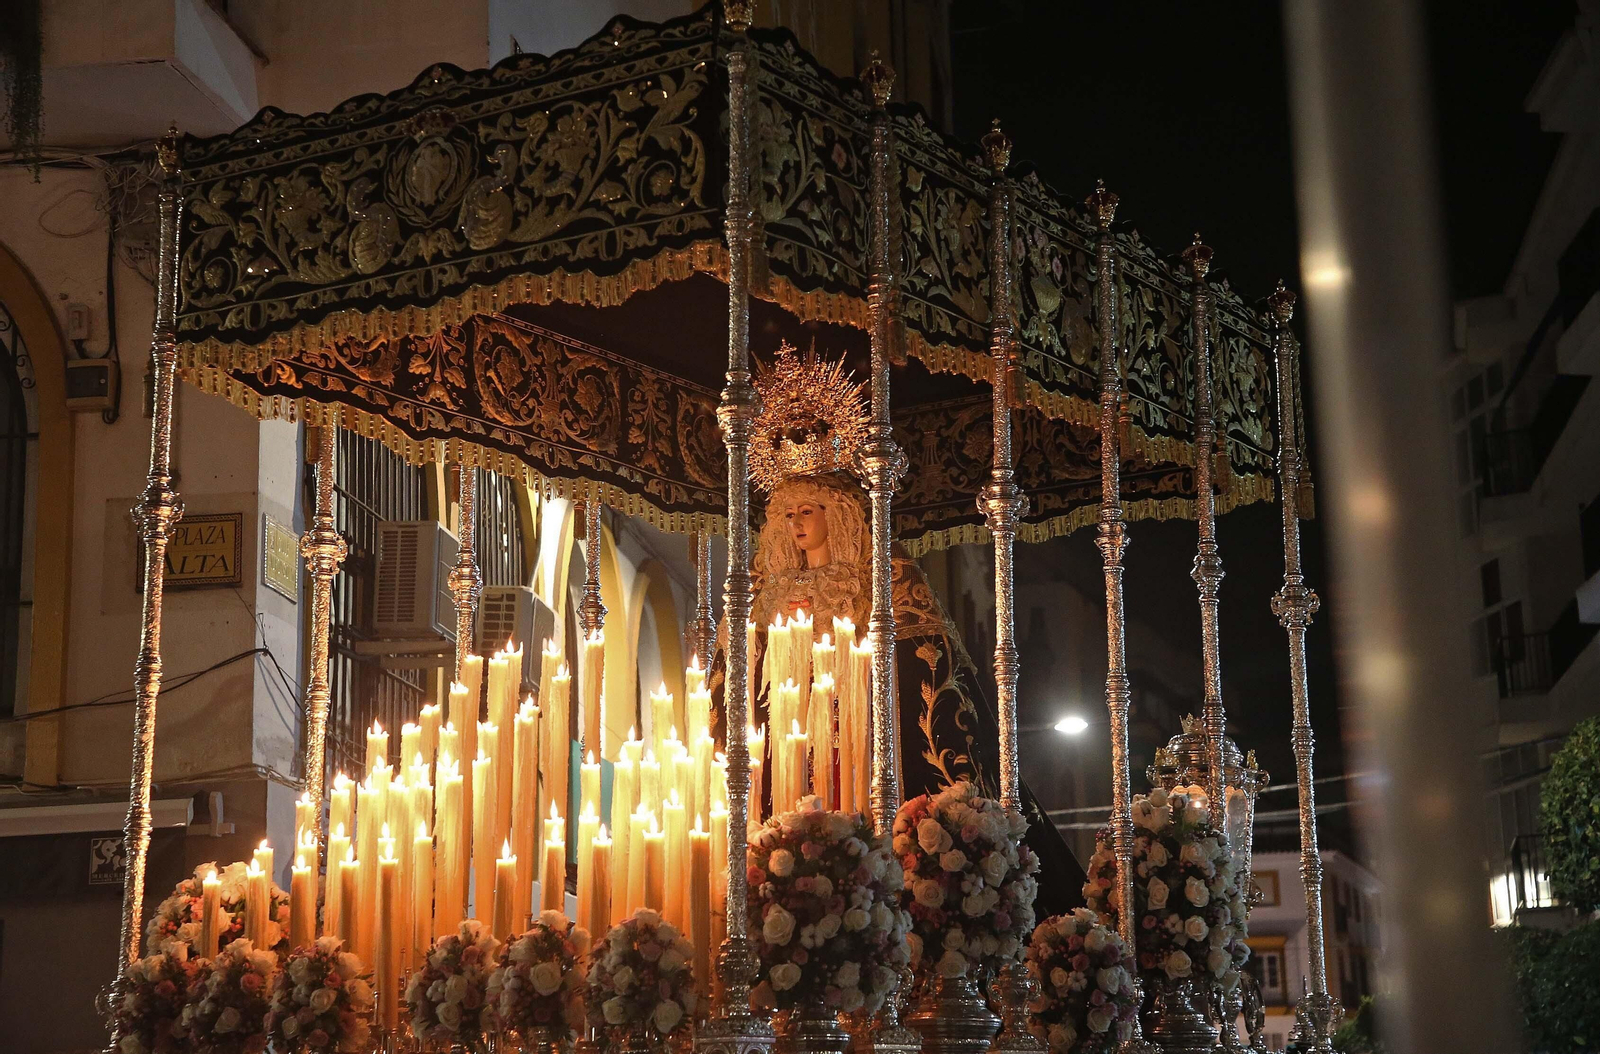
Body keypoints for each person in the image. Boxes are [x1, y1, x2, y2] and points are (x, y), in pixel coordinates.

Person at [709, 344, 1086, 918]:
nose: (797, 524)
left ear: (837, 514)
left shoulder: (879, 583)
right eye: (789, 514)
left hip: (856, 745)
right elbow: (731, 684)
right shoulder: (763, 595)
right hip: (782, 754)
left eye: (808, 511)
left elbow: (922, 673)